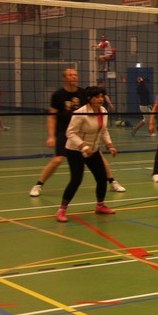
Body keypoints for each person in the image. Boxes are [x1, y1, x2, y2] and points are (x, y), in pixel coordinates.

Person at [30, 67, 125, 196]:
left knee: (98, 156)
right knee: (58, 159)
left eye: (75, 75)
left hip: (83, 130)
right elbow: (52, 116)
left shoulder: (83, 93)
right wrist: (51, 136)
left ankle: (112, 181)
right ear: (65, 78)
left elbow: (93, 108)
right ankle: (38, 185)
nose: (74, 77)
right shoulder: (58, 95)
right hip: (65, 130)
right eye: (70, 75)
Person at [56, 86, 118, 222]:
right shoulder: (80, 113)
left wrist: (110, 145)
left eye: (102, 96)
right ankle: (62, 209)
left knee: (102, 177)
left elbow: (103, 131)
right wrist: (83, 146)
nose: (100, 99)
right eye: (97, 97)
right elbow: (70, 133)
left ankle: (100, 205)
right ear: (89, 98)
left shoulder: (103, 111)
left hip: (93, 150)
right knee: (76, 179)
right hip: (75, 150)